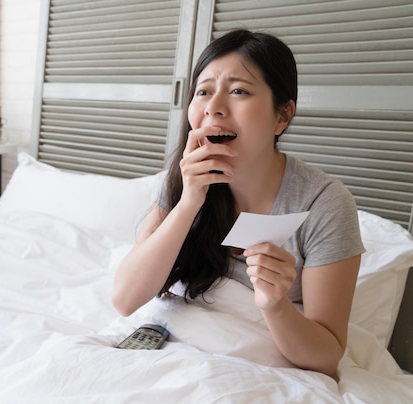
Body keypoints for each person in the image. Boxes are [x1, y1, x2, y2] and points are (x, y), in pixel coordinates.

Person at [112, 29, 364, 378]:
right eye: (203, 92)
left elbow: (325, 356)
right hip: (171, 356)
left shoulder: (324, 203)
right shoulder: (184, 177)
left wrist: (274, 305)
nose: (214, 107)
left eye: (238, 91)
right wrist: (189, 202)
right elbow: (125, 300)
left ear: (282, 116)